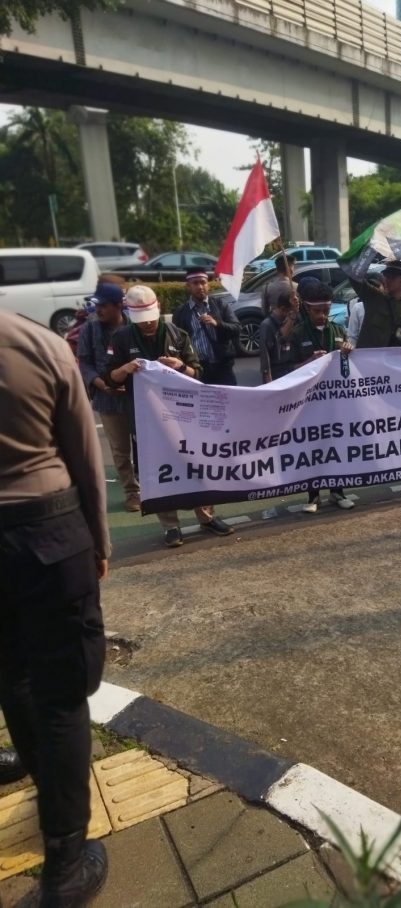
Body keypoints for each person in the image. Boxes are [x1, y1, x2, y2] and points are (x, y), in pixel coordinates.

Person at [0, 310, 110, 905]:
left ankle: (39, 768)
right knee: (63, 692)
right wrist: (98, 540)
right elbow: (83, 453)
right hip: (45, 533)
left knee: (11, 668)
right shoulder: (38, 344)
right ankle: (65, 860)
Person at [105, 285, 234, 547]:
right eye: (142, 321)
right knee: (159, 471)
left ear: (158, 310)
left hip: (183, 415)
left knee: (196, 464)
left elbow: (198, 374)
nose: (149, 324)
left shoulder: (177, 334)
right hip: (145, 418)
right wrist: (126, 368)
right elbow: (110, 377)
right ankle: (170, 526)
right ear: (131, 316)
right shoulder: (121, 339)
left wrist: (180, 367)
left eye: (151, 319)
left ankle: (206, 516)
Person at [290, 281, 355, 513]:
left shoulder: (337, 330)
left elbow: (349, 367)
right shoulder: (298, 333)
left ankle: (338, 492)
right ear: (307, 309)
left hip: (335, 400)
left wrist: (348, 352)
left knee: (336, 444)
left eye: (326, 310)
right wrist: (308, 362)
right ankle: (313, 496)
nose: (322, 315)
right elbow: (289, 371)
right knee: (313, 447)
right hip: (309, 402)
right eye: (317, 311)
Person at [77, 282, 140, 513]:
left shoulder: (135, 325)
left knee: (145, 445)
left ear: (118, 306)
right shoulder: (89, 329)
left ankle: (154, 488)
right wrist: (101, 384)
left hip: (138, 397)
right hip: (107, 399)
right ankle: (132, 493)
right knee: (120, 450)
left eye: (103, 306)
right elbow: (84, 361)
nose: (99, 310)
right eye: (97, 305)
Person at [172, 267, 240, 386]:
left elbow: (237, 329)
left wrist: (217, 324)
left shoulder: (220, 305)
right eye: (195, 283)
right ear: (188, 286)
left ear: (208, 285)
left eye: (203, 282)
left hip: (223, 367)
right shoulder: (180, 312)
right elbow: (177, 342)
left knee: (229, 402)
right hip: (198, 369)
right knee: (204, 403)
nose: (200, 287)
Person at [259, 290, 299, 382]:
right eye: (290, 312)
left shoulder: (293, 320)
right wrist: (269, 380)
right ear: (283, 309)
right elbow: (265, 356)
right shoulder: (267, 325)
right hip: (276, 371)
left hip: (291, 369)